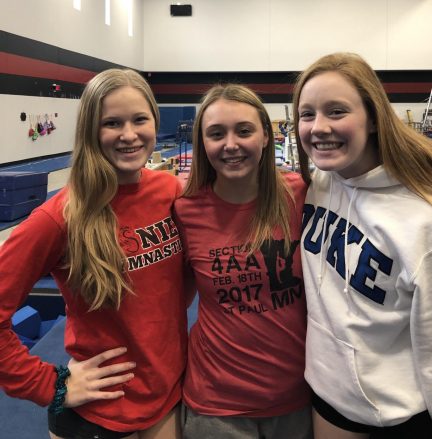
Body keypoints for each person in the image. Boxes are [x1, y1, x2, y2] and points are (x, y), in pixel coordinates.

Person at [292, 52, 432, 439]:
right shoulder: (322, 185)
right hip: (327, 396)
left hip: (391, 416)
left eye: (336, 111)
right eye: (307, 114)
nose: (319, 127)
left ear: (373, 118)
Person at [0, 69, 188, 439]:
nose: (129, 134)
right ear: (90, 130)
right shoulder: (60, 217)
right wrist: (48, 384)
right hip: (97, 413)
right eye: (112, 123)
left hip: (166, 397)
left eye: (139, 119)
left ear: (154, 120)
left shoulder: (170, 191)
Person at [173, 84, 312, 439]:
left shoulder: (302, 194)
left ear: (266, 136)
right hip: (217, 407)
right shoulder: (184, 209)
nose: (230, 145)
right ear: (203, 143)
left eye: (244, 130)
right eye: (216, 134)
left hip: (297, 399)